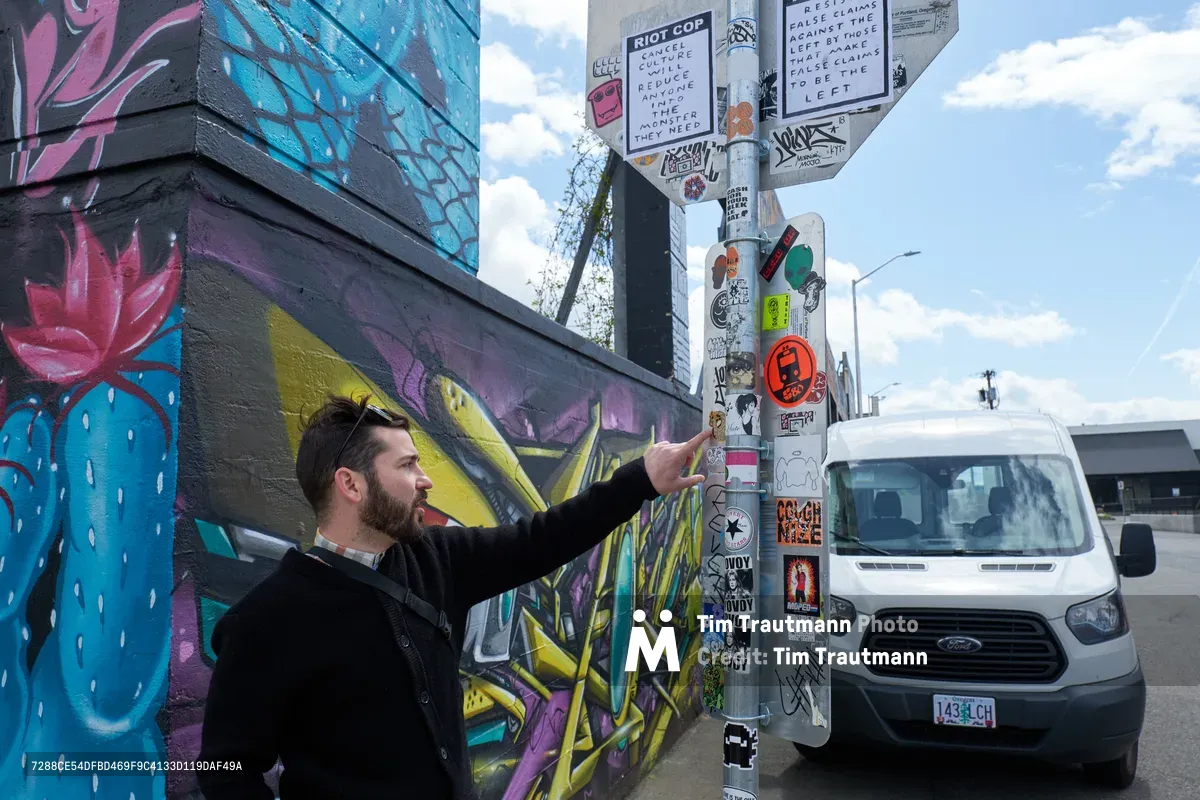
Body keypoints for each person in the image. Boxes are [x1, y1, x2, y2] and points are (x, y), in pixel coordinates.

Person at [196, 394, 712, 799]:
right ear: (350, 485)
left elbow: (544, 538)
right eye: (406, 466)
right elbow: (225, 772)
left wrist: (639, 480)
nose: (425, 480)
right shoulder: (267, 623)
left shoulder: (439, 560)